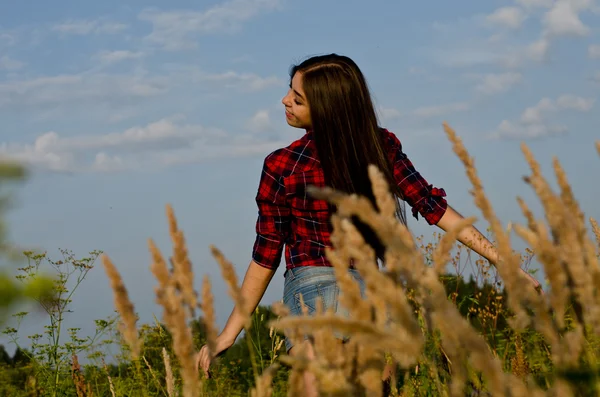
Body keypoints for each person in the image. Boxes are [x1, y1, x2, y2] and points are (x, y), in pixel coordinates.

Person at [196, 53, 542, 395]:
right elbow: (434, 208)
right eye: (290, 91)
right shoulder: (379, 146)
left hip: (312, 294)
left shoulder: (282, 165)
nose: (285, 100)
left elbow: (266, 255)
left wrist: (229, 332)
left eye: (297, 99)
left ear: (327, 107)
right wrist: (501, 261)